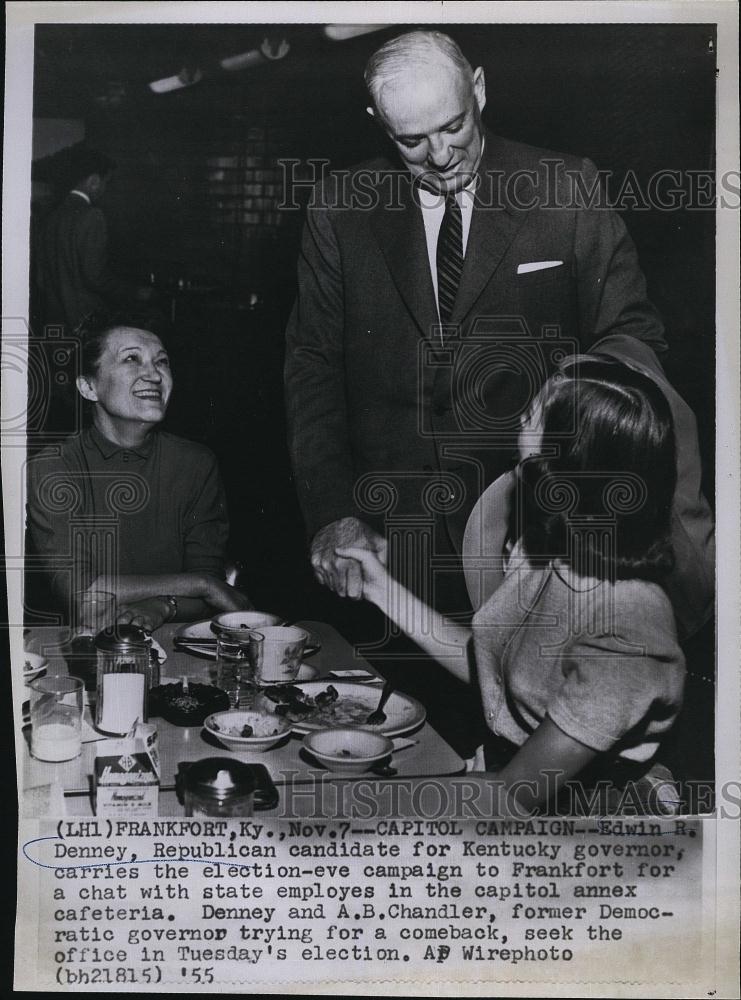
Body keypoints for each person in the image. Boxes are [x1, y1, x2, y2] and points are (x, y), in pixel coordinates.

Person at [285, 29, 669, 609]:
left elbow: (633, 342)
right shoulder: (341, 207)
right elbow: (312, 365)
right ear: (377, 123)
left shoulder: (565, 189)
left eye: (453, 126)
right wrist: (334, 512)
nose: (439, 156)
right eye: (411, 140)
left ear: (480, 89)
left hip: (540, 536)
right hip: (389, 539)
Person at [339, 358, 688, 814]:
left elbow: (514, 794)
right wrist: (378, 587)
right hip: (511, 792)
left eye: (534, 415)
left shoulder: (627, 628)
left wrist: (359, 801)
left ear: (571, 454)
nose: (518, 422)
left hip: (581, 832)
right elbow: (490, 665)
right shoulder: (548, 552)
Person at [26, 312, 250, 632]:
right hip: (86, 652)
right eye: (132, 358)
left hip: (180, 649)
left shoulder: (195, 463)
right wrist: (200, 583)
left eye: (162, 362)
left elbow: (214, 595)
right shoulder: (53, 468)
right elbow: (83, 595)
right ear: (89, 387)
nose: (155, 375)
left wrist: (162, 605)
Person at [36, 145, 152, 334]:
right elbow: (95, 277)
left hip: (55, 325)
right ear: (94, 181)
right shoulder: (92, 215)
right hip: (86, 323)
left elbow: (41, 279)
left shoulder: (51, 216)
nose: (105, 189)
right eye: (106, 182)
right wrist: (136, 293)